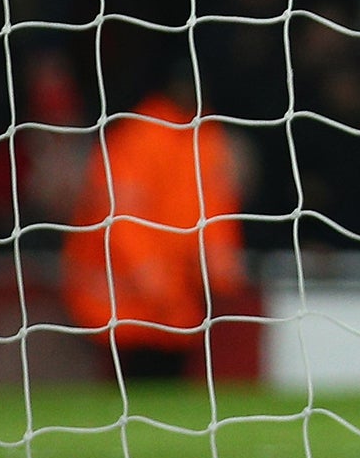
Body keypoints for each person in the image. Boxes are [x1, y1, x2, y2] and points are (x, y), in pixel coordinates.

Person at [61, 83, 245, 382]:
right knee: (121, 393)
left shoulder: (205, 138)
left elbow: (215, 209)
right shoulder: (138, 136)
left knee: (163, 392)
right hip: (120, 301)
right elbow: (121, 218)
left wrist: (219, 271)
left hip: (173, 302)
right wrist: (155, 281)